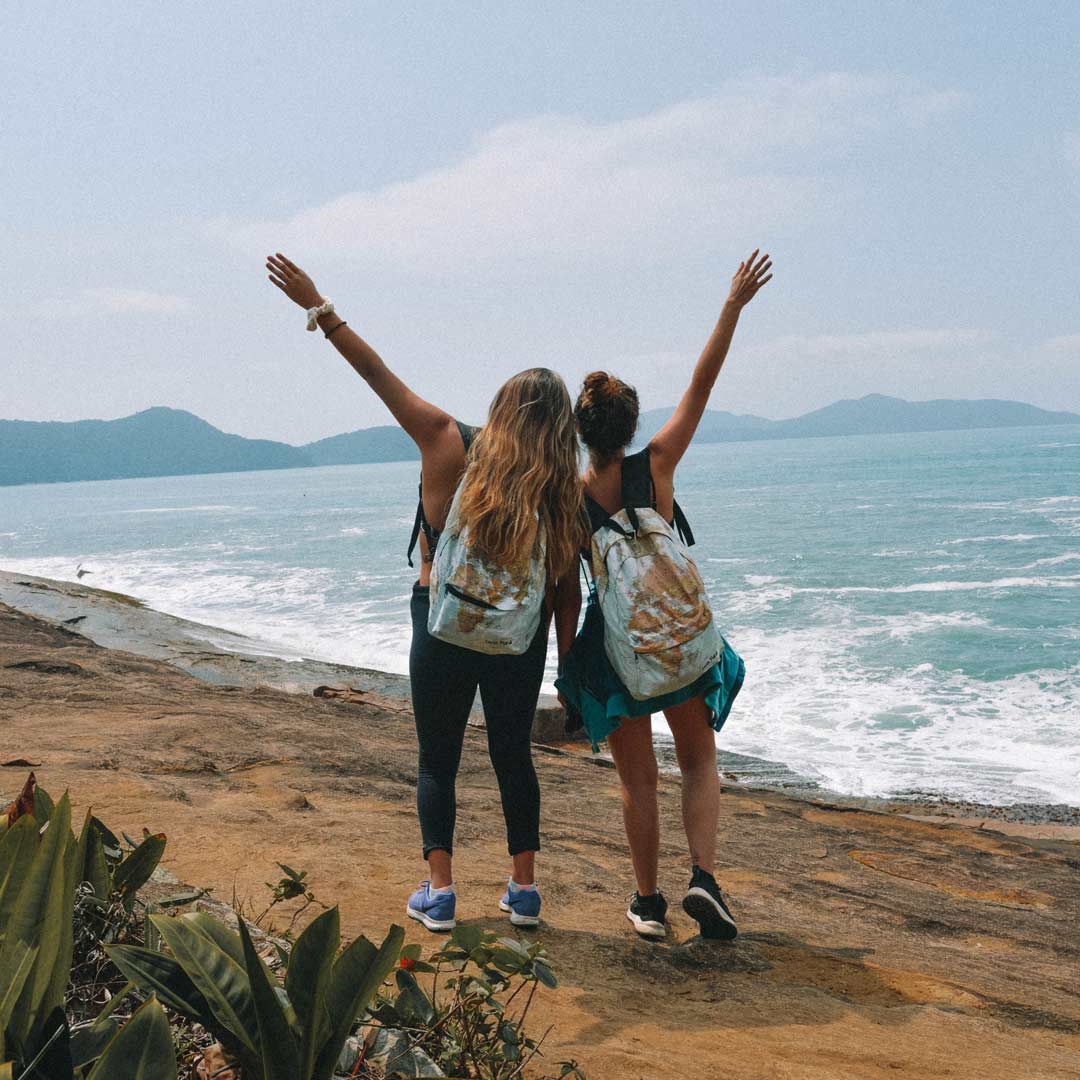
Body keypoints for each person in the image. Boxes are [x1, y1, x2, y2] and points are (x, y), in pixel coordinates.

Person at [266, 254, 585, 931]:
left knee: (437, 759)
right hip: (517, 640)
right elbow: (564, 591)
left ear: (500, 408)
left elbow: (376, 375)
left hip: (440, 627)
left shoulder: (446, 440)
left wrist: (319, 307)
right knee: (512, 757)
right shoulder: (561, 492)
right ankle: (523, 892)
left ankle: (440, 894)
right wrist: (567, 667)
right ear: (560, 429)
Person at [557, 250, 772, 941]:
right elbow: (702, 387)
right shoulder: (658, 464)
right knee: (699, 756)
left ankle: (648, 902)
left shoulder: (571, 499)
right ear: (630, 425)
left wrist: (566, 666)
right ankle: (703, 877)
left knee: (638, 779)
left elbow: (566, 589)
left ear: (581, 434)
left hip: (618, 651)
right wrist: (732, 306)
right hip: (678, 638)